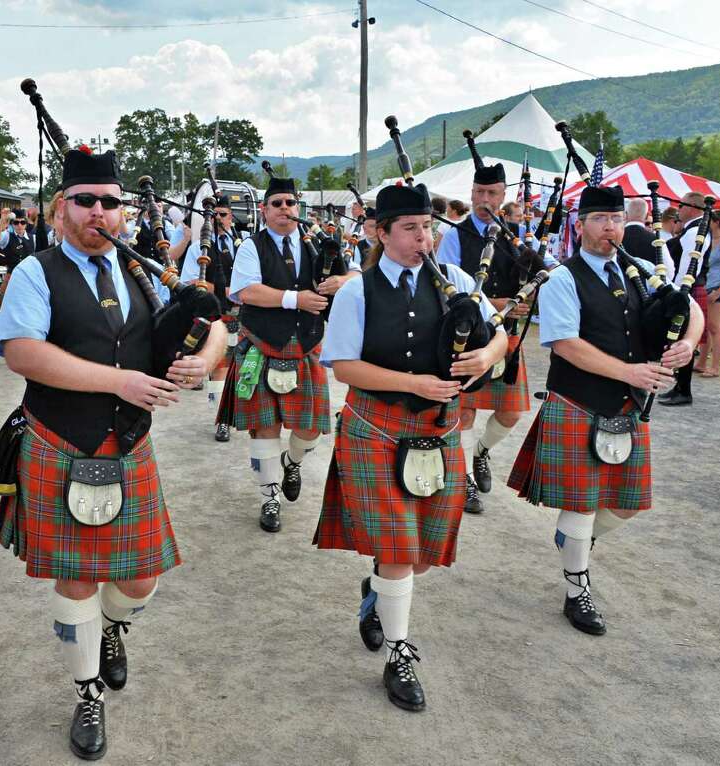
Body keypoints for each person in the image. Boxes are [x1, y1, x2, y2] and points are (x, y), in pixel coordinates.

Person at [0, 148, 225, 761]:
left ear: (123, 212)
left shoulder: (141, 272)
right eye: (85, 201)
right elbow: (21, 352)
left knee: (139, 577)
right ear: (60, 209)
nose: (99, 212)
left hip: (129, 444)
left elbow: (212, 318)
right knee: (78, 576)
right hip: (60, 440)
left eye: (110, 202)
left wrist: (207, 358)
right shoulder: (36, 272)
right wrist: (116, 381)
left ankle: (113, 630)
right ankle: (86, 688)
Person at [315, 182, 507, 712]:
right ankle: (399, 653)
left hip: (438, 430)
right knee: (399, 550)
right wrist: (413, 384)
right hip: (377, 425)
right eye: (411, 228)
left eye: (428, 227)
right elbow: (344, 366)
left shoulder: (459, 281)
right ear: (382, 233)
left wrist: (487, 356)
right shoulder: (359, 290)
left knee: (418, 555)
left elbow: (501, 336)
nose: (424, 237)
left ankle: (378, 594)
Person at [507, 185, 702, 637]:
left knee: (628, 504)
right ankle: (578, 588)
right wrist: (630, 373)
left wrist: (689, 344)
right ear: (581, 226)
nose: (609, 227)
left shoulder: (638, 271)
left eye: (615, 219)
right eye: (598, 219)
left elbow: (688, 306)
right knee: (581, 504)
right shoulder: (563, 279)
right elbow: (566, 344)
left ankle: (576, 543)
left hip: (625, 408)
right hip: (579, 401)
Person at [219, 175, 331, 533]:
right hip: (263, 343)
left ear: (299, 208)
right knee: (263, 426)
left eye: (290, 202)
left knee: (310, 429)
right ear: (265, 210)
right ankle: (270, 497)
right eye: (277, 203)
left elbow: (352, 279)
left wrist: (344, 281)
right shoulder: (252, 246)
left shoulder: (318, 246)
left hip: (307, 345)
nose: (285, 208)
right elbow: (245, 291)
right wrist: (295, 299)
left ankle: (293, 461)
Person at [435, 162, 529, 516]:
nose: (484, 199)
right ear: (471, 193)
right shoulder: (455, 236)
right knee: (468, 412)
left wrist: (528, 299)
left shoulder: (517, 236)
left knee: (511, 412)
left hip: (506, 337)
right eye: (479, 192)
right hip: (468, 338)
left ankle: (480, 452)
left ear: (504, 197)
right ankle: (466, 482)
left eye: (492, 193)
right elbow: (446, 289)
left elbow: (545, 272)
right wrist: (499, 304)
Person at [180, 195, 245, 441]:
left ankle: (236, 412)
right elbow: (189, 283)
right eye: (213, 215)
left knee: (241, 368)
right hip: (216, 313)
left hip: (244, 314)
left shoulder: (243, 244)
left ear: (231, 217)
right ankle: (222, 419)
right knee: (220, 366)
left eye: (223, 215)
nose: (218, 219)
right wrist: (221, 291)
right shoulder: (199, 247)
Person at [659, 192, 709, 407]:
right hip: (688, 290)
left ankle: (683, 389)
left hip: (688, 290)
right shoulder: (694, 229)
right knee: (679, 337)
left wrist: (679, 293)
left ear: (692, 207)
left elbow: (688, 268)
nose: (678, 209)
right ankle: (679, 386)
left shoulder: (695, 231)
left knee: (682, 338)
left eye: (681, 205)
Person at [699, 210, 720, 377]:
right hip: (707, 286)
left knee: (715, 327)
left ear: (717, 222)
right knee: (706, 327)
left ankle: (714, 366)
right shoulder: (709, 240)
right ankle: (702, 362)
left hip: (717, 288)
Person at [621, 197, 657, 263]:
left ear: (625, 215)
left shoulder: (617, 237)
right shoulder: (656, 240)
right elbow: (669, 268)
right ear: (646, 216)